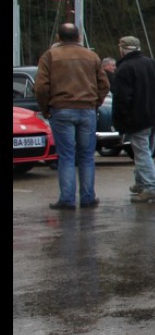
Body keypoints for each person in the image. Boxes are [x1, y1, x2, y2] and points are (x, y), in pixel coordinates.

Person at [35, 22, 111, 209]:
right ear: (78, 37)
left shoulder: (50, 56)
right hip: (87, 110)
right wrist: (95, 103)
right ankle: (88, 197)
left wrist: (46, 109)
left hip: (61, 109)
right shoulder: (91, 56)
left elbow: (41, 87)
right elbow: (105, 85)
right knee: (86, 155)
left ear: (58, 38)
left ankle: (67, 199)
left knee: (66, 156)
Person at [112, 35, 155, 204]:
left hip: (138, 115)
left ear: (122, 49)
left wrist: (120, 121)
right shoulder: (153, 63)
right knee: (146, 150)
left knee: (141, 152)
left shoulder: (124, 69)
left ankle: (151, 187)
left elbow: (121, 98)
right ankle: (141, 182)